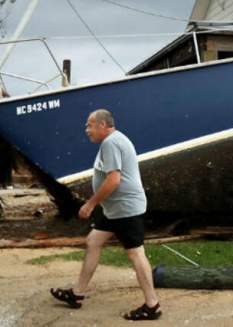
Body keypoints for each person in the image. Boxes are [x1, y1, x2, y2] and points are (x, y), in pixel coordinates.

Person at [50, 108, 161, 321]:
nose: (86, 130)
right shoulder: (114, 141)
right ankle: (77, 294)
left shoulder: (111, 143)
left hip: (125, 209)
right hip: (114, 209)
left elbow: (113, 180)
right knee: (93, 241)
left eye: (89, 125)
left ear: (103, 125)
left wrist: (90, 204)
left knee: (136, 253)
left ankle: (152, 305)